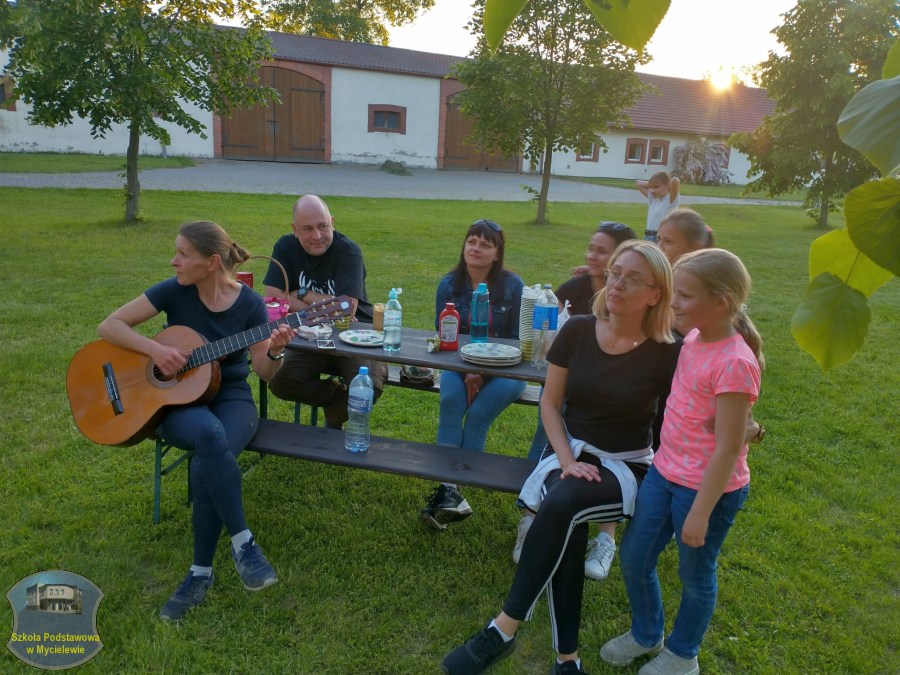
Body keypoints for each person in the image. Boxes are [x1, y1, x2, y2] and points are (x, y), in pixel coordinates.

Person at [441, 241, 681, 675]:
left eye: (633, 279)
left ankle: (503, 628)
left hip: (628, 465)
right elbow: (550, 404)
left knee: (561, 502)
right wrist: (567, 460)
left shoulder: (669, 350)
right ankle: (567, 660)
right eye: (615, 273)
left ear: (655, 294)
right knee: (566, 517)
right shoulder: (578, 331)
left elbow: (675, 423)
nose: (617, 284)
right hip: (569, 454)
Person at [98, 221, 294, 621]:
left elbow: (264, 370)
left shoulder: (250, 304)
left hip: (232, 397)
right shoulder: (174, 290)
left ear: (212, 262)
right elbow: (110, 325)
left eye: (183, 254)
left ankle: (199, 574)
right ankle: (244, 545)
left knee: (209, 454)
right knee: (209, 436)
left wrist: (275, 352)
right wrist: (155, 350)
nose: (174, 261)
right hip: (174, 402)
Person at [601, 248, 763, 675]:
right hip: (664, 471)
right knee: (635, 556)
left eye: (685, 296)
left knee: (695, 573)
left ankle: (682, 655)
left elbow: (729, 447)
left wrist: (700, 513)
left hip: (708, 490)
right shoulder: (693, 338)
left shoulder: (734, 363)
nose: (674, 303)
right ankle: (646, 634)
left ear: (721, 302)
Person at [521, 221, 638, 582]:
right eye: (591, 248)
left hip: (612, 402)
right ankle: (530, 520)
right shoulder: (575, 286)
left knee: (610, 454)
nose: (592, 256)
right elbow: (548, 329)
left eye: (602, 251)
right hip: (566, 384)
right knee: (546, 438)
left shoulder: (635, 304)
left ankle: (605, 539)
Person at [420, 218, 526, 531]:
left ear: (497, 253)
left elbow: (518, 342)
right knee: (451, 401)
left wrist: (482, 373)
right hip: (459, 364)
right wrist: (468, 371)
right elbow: (444, 334)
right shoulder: (449, 284)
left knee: (478, 413)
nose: (476, 248)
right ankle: (450, 490)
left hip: (507, 370)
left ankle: (454, 488)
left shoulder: (513, 287)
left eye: (485, 244)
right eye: (471, 241)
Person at [263, 195, 387, 429]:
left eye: (323, 226)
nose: (317, 235)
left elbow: (346, 309)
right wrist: (321, 308)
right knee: (280, 382)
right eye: (307, 228)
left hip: (354, 334)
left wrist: (301, 293)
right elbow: (272, 296)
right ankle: (335, 395)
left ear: (333, 222)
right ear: (294, 229)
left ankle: (334, 420)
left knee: (368, 385)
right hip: (309, 336)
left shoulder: (348, 251)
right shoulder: (285, 247)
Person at [636, 171, 681, 242]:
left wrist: (658, 182)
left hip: (659, 238)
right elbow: (638, 183)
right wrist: (653, 183)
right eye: (651, 187)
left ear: (668, 185)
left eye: (656, 187)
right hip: (647, 237)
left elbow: (675, 180)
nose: (652, 191)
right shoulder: (653, 199)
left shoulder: (671, 199)